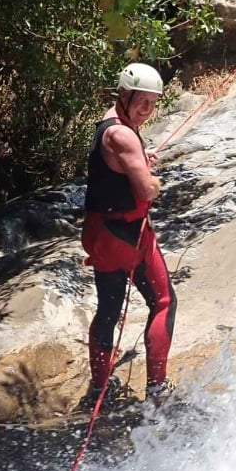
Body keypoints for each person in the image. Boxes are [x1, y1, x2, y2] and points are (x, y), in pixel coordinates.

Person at [81, 62, 176, 406]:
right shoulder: (122, 134)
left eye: (153, 102)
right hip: (125, 234)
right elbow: (146, 190)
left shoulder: (109, 123)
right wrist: (153, 178)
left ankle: (100, 388)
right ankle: (156, 389)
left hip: (99, 232)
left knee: (108, 308)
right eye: (142, 100)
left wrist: (138, 159)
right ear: (124, 94)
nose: (147, 109)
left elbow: (117, 166)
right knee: (164, 302)